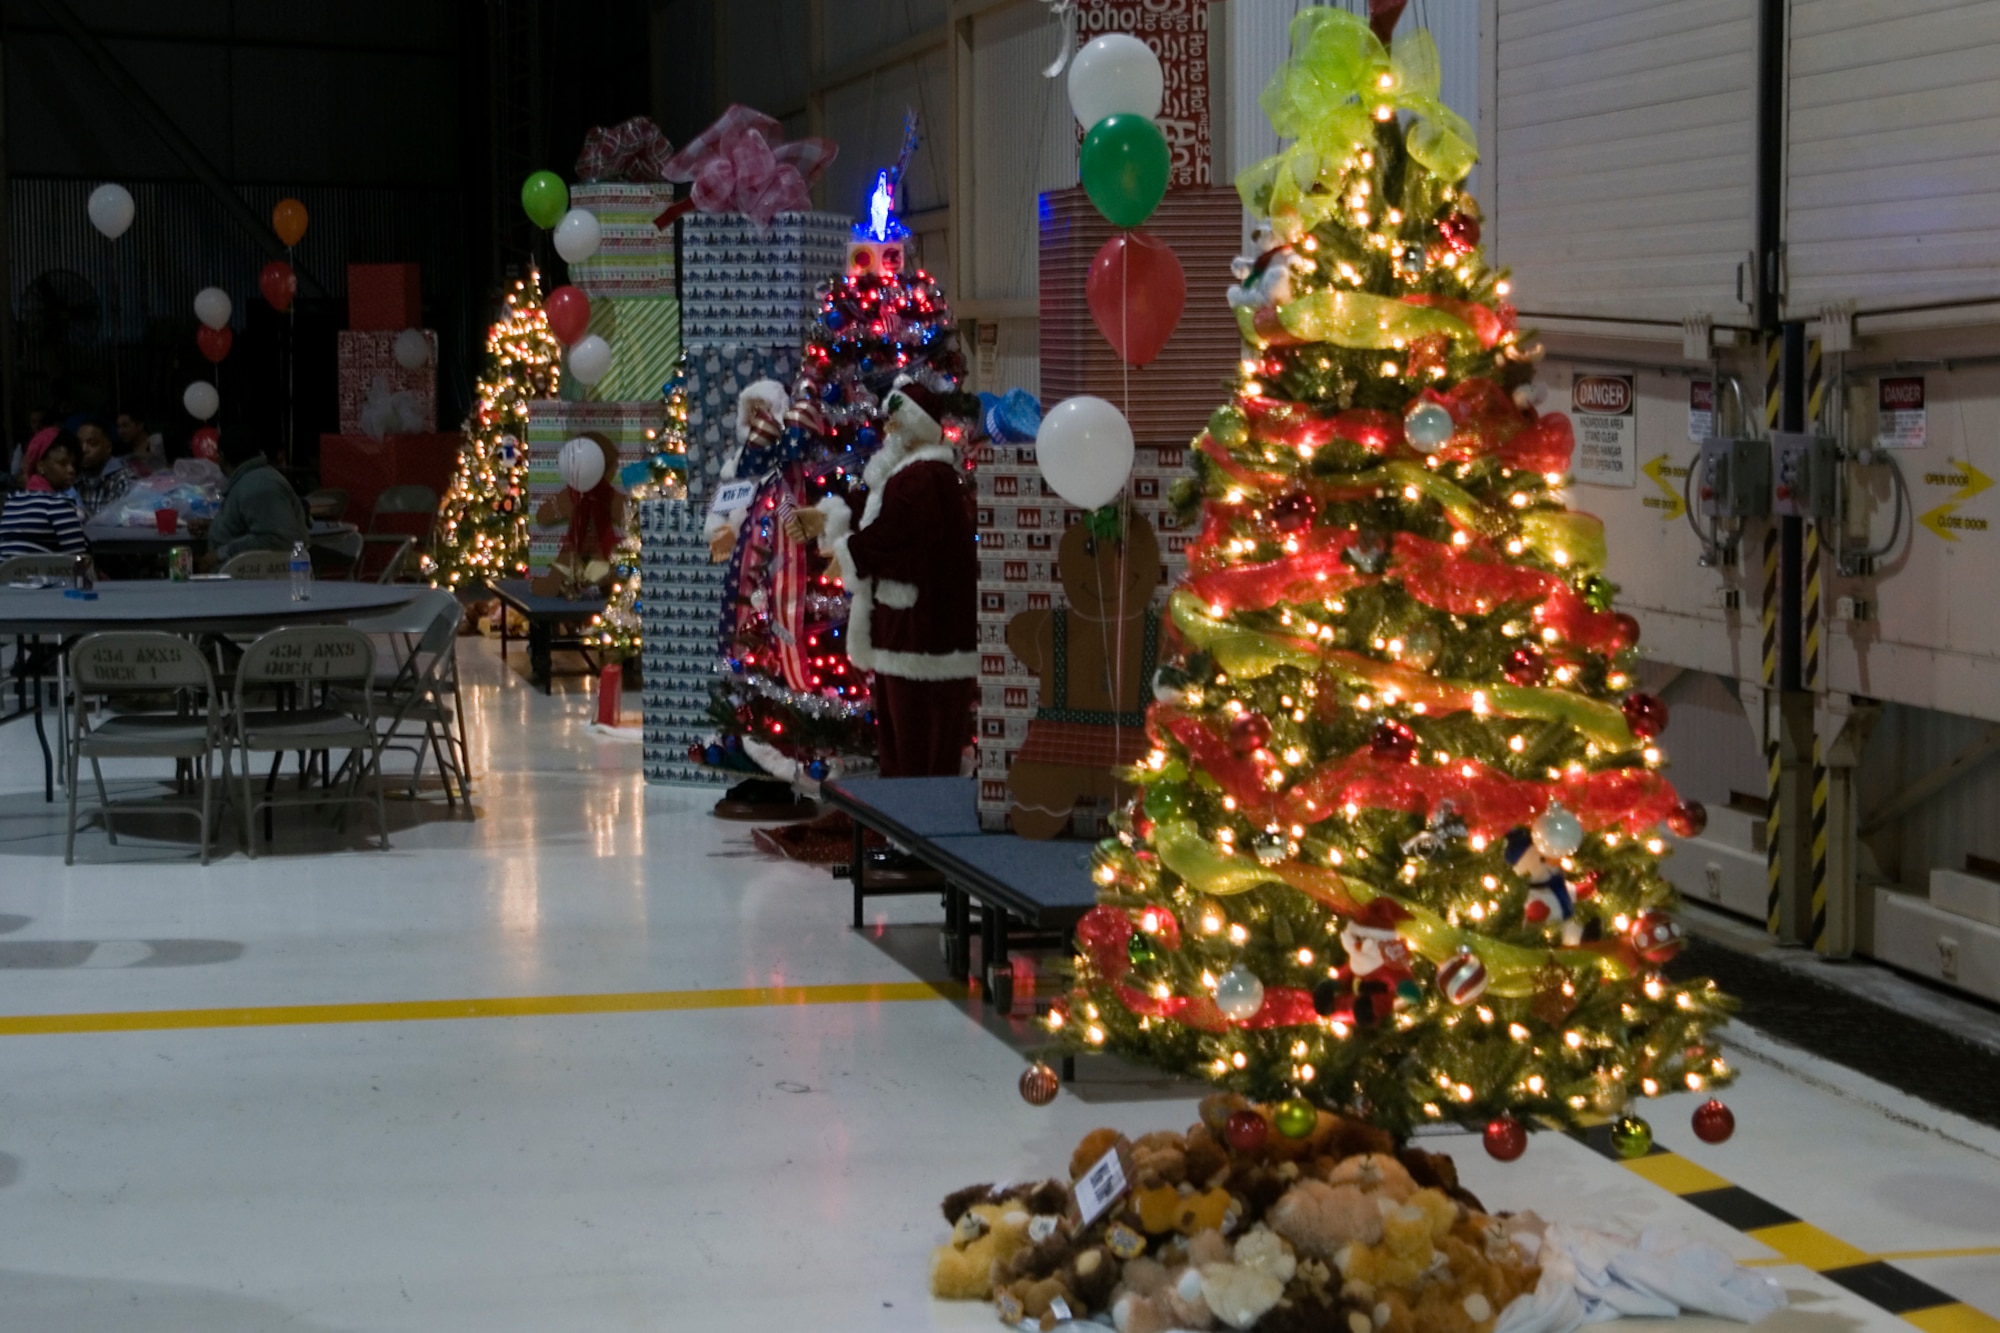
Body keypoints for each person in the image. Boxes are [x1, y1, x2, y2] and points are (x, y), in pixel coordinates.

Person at [786, 378, 979, 777]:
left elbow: (894, 535)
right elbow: (873, 507)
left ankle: (918, 832)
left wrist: (849, 554)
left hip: (923, 639)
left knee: (918, 749)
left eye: (895, 424)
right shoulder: (907, 474)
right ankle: (902, 830)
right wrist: (826, 515)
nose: (886, 431)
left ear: (912, 430)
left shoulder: (924, 479)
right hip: (905, 633)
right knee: (900, 743)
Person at [188, 431, 308, 567]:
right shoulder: (251, 480)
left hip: (256, 584)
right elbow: (251, 525)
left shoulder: (259, 485)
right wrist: (215, 526)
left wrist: (220, 554)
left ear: (221, 457)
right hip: (245, 581)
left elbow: (275, 538)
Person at [0, 429, 89, 560]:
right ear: (41, 466)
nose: (71, 470)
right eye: (62, 463)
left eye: (73, 464)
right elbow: (78, 559)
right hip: (44, 579)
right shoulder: (59, 503)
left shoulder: (12, 501)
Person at [68, 413, 135, 517]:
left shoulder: (124, 479)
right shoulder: (72, 477)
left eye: (92, 443)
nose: (84, 449)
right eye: (79, 444)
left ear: (108, 447)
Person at [115, 410, 164, 474]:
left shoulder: (157, 443)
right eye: (118, 427)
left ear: (140, 426)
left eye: (125, 426)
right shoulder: (121, 449)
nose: (120, 431)